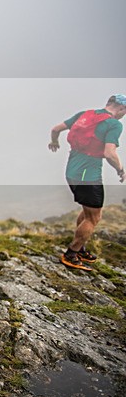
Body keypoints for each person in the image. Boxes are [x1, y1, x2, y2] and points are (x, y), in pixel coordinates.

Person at [49, 94, 126, 271]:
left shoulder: (85, 114)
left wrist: (54, 142)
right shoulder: (114, 124)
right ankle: (71, 254)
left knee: (87, 211)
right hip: (88, 176)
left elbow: (56, 129)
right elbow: (109, 153)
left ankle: (81, 249)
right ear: (121, 108)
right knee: (94, 217)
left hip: (72, 171)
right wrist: (121, 170)